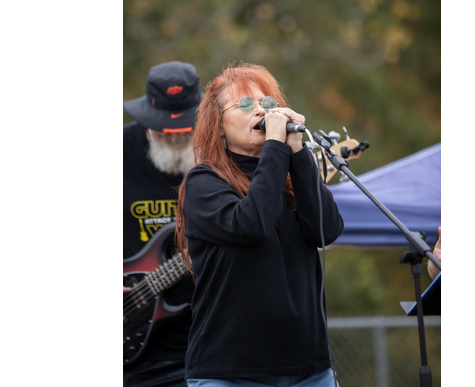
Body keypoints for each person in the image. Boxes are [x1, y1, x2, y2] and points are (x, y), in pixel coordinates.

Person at [175, 62, 345, 387]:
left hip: (309, 370)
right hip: (230, 373)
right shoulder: (205, 182)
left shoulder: (290, 172)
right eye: (243, 104)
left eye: (266, 103)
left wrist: (297, 153)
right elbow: (251, 223)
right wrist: (276, 149)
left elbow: (327, 229)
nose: (259, 111)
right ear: (219, 124)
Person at [123, 61, 202, 387]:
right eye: (166, 129)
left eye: (186, 128)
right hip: (133, 344)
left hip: (203, 341)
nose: (177, 137)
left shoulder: (220, 152)